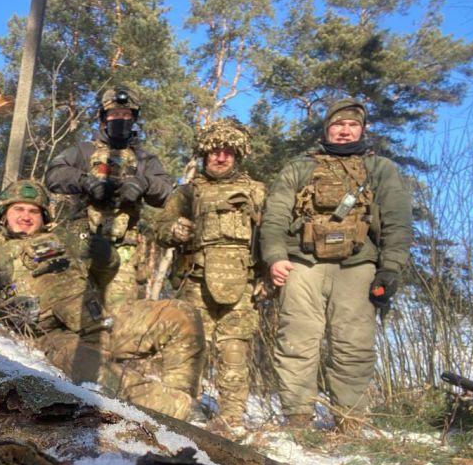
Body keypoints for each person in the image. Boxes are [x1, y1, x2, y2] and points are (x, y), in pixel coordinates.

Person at [0, 179, 204, 420]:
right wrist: (4, 311)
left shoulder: (64, 239)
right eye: (19, 209)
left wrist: (106, 259)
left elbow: (101, 279)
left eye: (33, 211)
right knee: (102, 377)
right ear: (4, 213)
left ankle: (187, 405)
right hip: (55, 337)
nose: (26, 216)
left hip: (102, 319)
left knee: (182, 314)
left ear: (44, 216)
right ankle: (179, 416)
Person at [259, 98, 413, 431]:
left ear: (362, 129)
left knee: (354, 344)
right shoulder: (299, 166)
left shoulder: (380, 169)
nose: (344, 131)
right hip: (302, 263)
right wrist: (275, 257)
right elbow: (274, 216)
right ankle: (297, 420)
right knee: (296, 341)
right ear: (327, 128)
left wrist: (390, 268)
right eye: (337, 125)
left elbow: (398, 221)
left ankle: (351, 421)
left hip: (358, 266)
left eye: (351, 125)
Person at [153, 118, 266, 429]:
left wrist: (267, 279)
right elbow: (158, 228)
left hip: (242, 287)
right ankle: (179, 412)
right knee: (188, 349)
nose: (220, 157)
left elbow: (272, 239)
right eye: (215, 151)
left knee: (234, 352)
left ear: (238, 155)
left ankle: (231, 420)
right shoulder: (187, 194)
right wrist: (173, 230)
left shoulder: (256, 192)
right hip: (195, 282)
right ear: (204, 154)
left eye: (228, 152)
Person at [44, 87, 173, 307]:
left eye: (126, 115)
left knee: (119, 315)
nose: (120, 119)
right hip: (81, 243)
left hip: (125, 248)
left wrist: (145, 183)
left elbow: (167, 193)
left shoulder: (145, 158)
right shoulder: (83, 151)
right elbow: (53, 175)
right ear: (104, 118)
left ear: (133, 119)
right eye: (114, 114)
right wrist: (85, 181)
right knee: (72, 306)